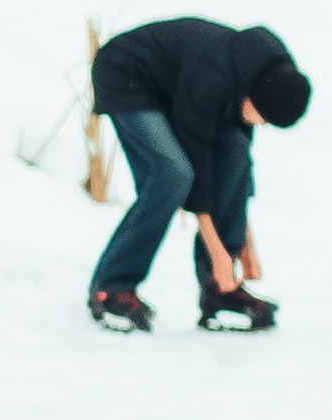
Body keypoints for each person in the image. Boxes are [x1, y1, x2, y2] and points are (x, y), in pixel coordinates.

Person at [86, 17, 311, 333]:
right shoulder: (212, 78)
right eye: (265, 118)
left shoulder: (264, 76)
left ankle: (221, 290)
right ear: (251, 98)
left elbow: (235, 174)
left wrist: (245, 247)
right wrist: (219, 254)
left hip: (176, 88)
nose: (263, 125)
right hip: (128, 76)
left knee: (235, 154)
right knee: (172, 175)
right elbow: (199, 170)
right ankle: (111, 287)